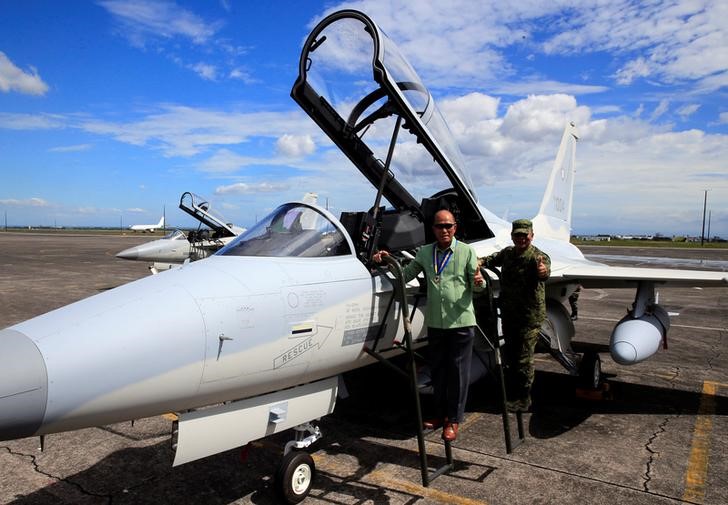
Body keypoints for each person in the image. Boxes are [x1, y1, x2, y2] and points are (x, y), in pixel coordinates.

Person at [373, 209, 483, 441]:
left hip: (461, 323)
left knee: (458, 375)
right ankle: (440, 415)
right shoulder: (425, 253)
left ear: (455, 228)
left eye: (448, 226)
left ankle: (453, 420)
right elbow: (405, 275)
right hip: (436, 323)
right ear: (433, 229)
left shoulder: (466, 252)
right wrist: (386, 260)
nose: (444, 230)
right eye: (440, 226)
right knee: (439, 374)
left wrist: (480, 282)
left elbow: (478, 286)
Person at [479, 218, 550, 412]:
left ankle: (523, 398)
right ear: (512, 236)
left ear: (531, 236)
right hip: (510, 315)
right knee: (510, 356)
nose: (521, 239)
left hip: (529, 317)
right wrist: (479, 262)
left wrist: (543, 271)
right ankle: (512, 392)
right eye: (517, 235)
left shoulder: (537, 257)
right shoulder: (508, 254)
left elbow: (545, 272)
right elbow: (491, 259)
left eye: (524, 235)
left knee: (524, 359)